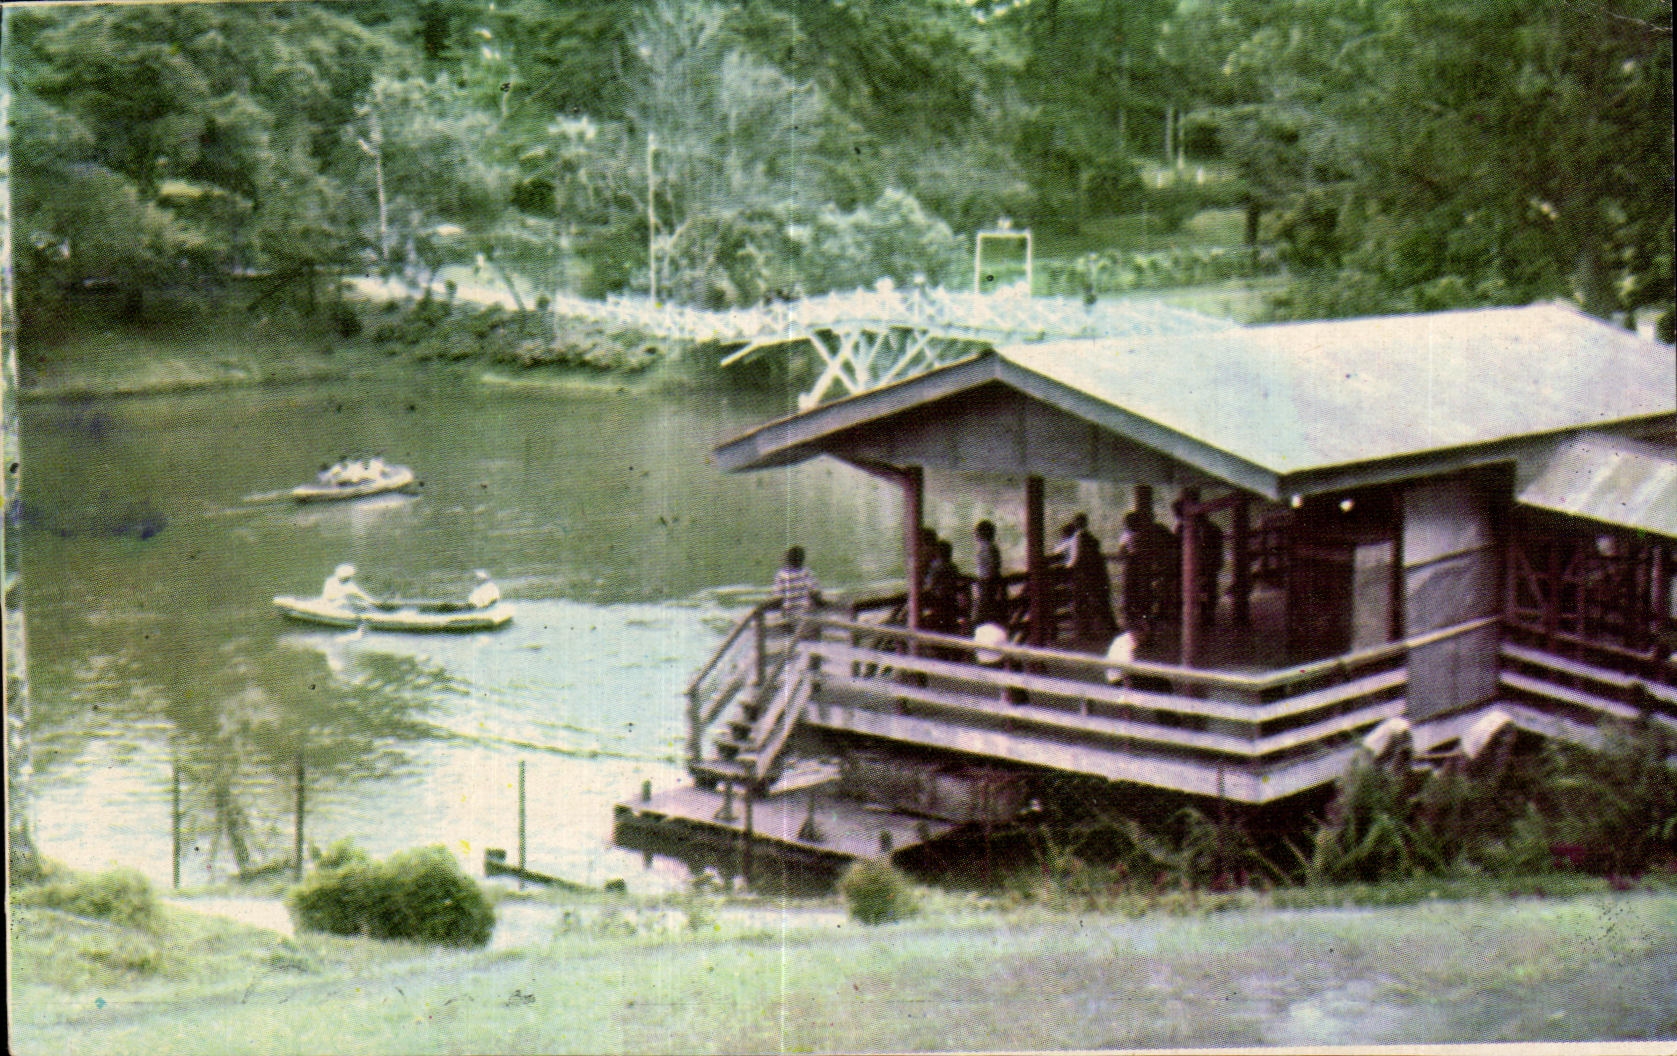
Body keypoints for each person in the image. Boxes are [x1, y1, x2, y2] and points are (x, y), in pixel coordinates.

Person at [773, 546, 823, 629]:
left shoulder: (781, 575)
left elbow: (778, 597)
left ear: (788, 560)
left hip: (789, 615)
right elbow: (815, 592)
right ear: (802, 560)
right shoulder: (807, 572)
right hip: (806, 613)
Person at [972, 520, 1006, 627]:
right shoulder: (992, 547)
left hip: (987, 583)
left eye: (977, 532)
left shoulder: (986, 548)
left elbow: (991, 567)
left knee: (983, 610)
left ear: (981, 533)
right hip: (989, 581)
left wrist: (985, 581)